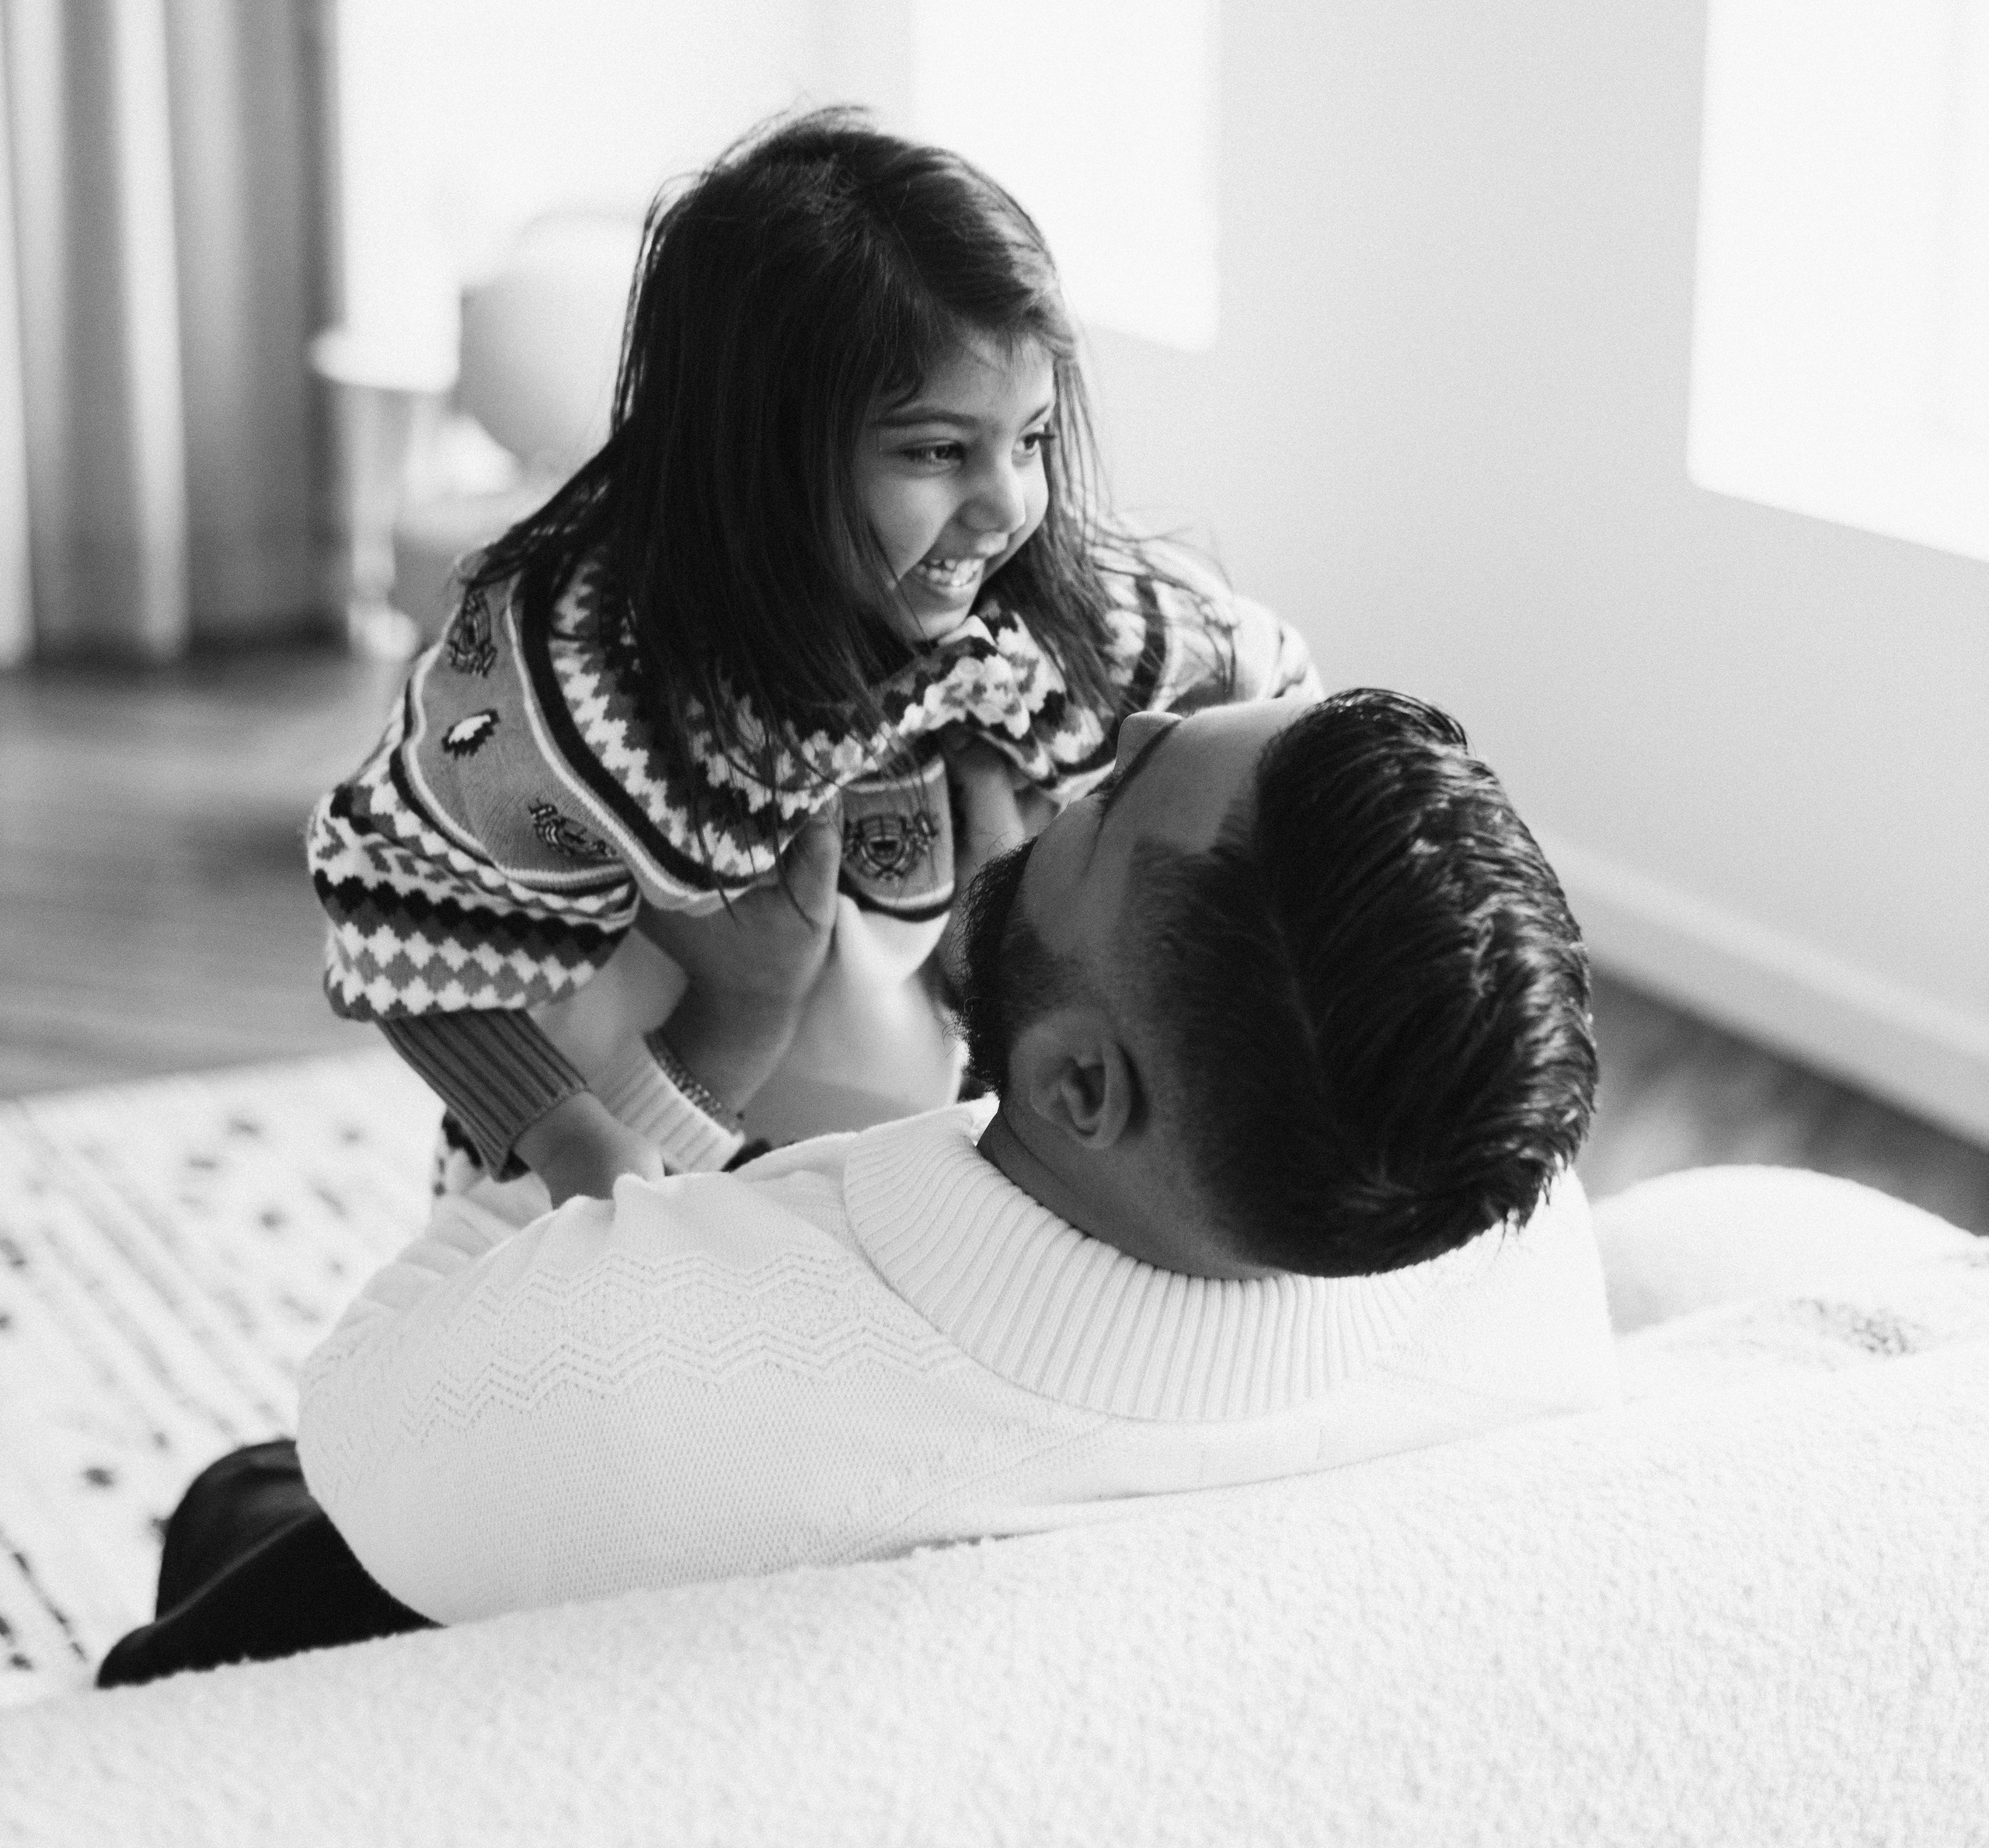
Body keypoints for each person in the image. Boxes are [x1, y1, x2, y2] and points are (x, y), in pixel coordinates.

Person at [92, 686, 1613, 1678]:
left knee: (243, 1501)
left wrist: (710, 1059)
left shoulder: (631, 1367)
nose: (1048, 791)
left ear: (1082, 1086)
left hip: (405, 1605)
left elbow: (366, 1405)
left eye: (1100, 799)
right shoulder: (1508, 1232)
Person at [305, 110, 1316, 1211]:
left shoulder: (1044, 624)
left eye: (1029, 441)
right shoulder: (572, 679)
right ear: (760, 449)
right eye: (936, 451)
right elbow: (409, 914)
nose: (1008, 505)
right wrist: (566, 1139)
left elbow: (1268, 706)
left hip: (913, 1181)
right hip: (625, 1161)